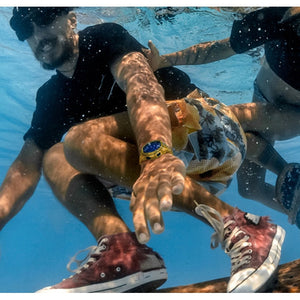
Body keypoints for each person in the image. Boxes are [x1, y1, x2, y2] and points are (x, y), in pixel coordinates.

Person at [1, 7, 284, 293]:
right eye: (26, 30)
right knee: (55, 158)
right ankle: (123, 254)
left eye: (46, 18)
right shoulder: (50, 97)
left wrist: (156, 155)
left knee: (79, 140)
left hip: (211, 132)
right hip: (179, 175)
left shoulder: (102, 38)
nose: (38, 34)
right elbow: (24, 168)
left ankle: (242, 226)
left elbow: (142, 87)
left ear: (72, 20)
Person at [143, 6, 300, 228]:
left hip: (294, 114)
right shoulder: (275, 18)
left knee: (230, 118)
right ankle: (296, 205)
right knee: (249, 189)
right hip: (263, 98)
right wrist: (165, 61)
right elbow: (219, 48)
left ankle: (174, 157)